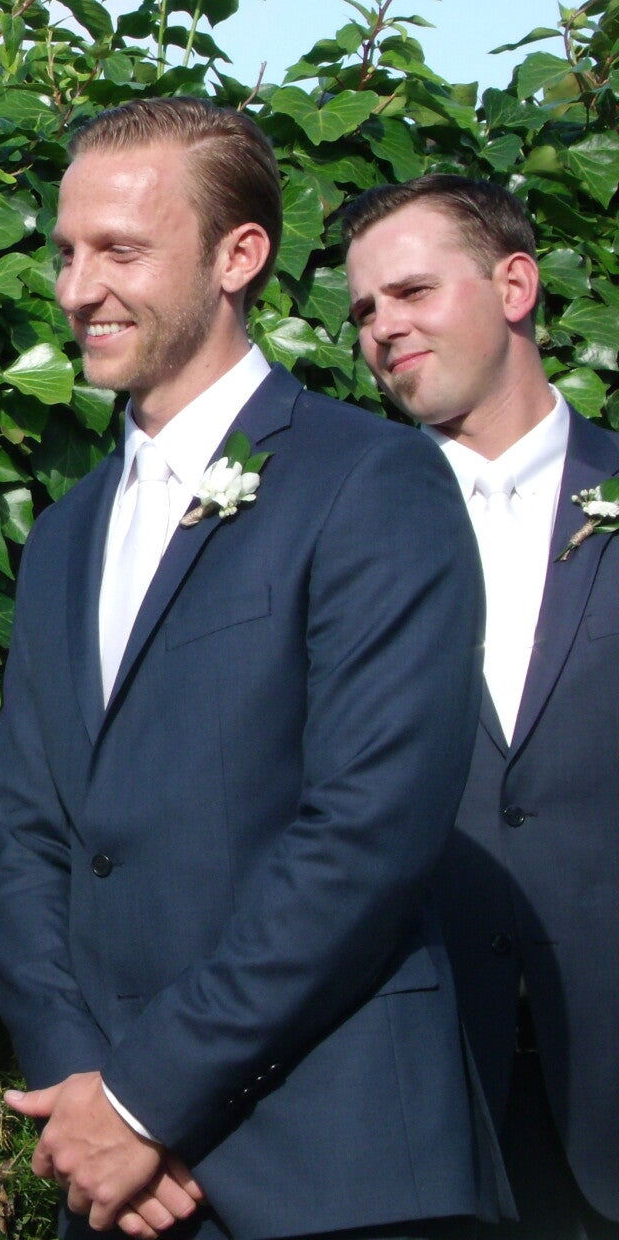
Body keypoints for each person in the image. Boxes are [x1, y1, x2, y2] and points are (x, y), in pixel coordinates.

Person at [0, 98, 508, 1240]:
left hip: (333, 1169)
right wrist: (82, 1091)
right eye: (67, 253)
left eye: (120, 251)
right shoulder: (65, 530)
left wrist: (144, 1095)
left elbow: (366, 832)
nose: (77, 290)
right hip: (120, 1189)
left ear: (238, 256)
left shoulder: (372, 484)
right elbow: (25, 823)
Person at [343, 175, 619, 1240]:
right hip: (415, 1095)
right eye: (365, 309)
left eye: (411, 290)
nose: (383, 327)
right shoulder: (336, 530)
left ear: (514, 285)